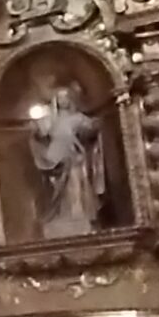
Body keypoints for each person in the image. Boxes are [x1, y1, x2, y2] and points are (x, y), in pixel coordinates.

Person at [28, 83, 107, 238]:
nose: (63, 101)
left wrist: (95, 125)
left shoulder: (78, 118)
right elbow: (40, 135)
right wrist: (36, 130)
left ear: (71, 100)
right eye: (59, 98)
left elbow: (90, 130)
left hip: (74, 157)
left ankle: (78, 214)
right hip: (55, 159)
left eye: (65, 97)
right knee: (56, 191)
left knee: (76, 186)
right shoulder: (50, 120)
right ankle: (60, 215)